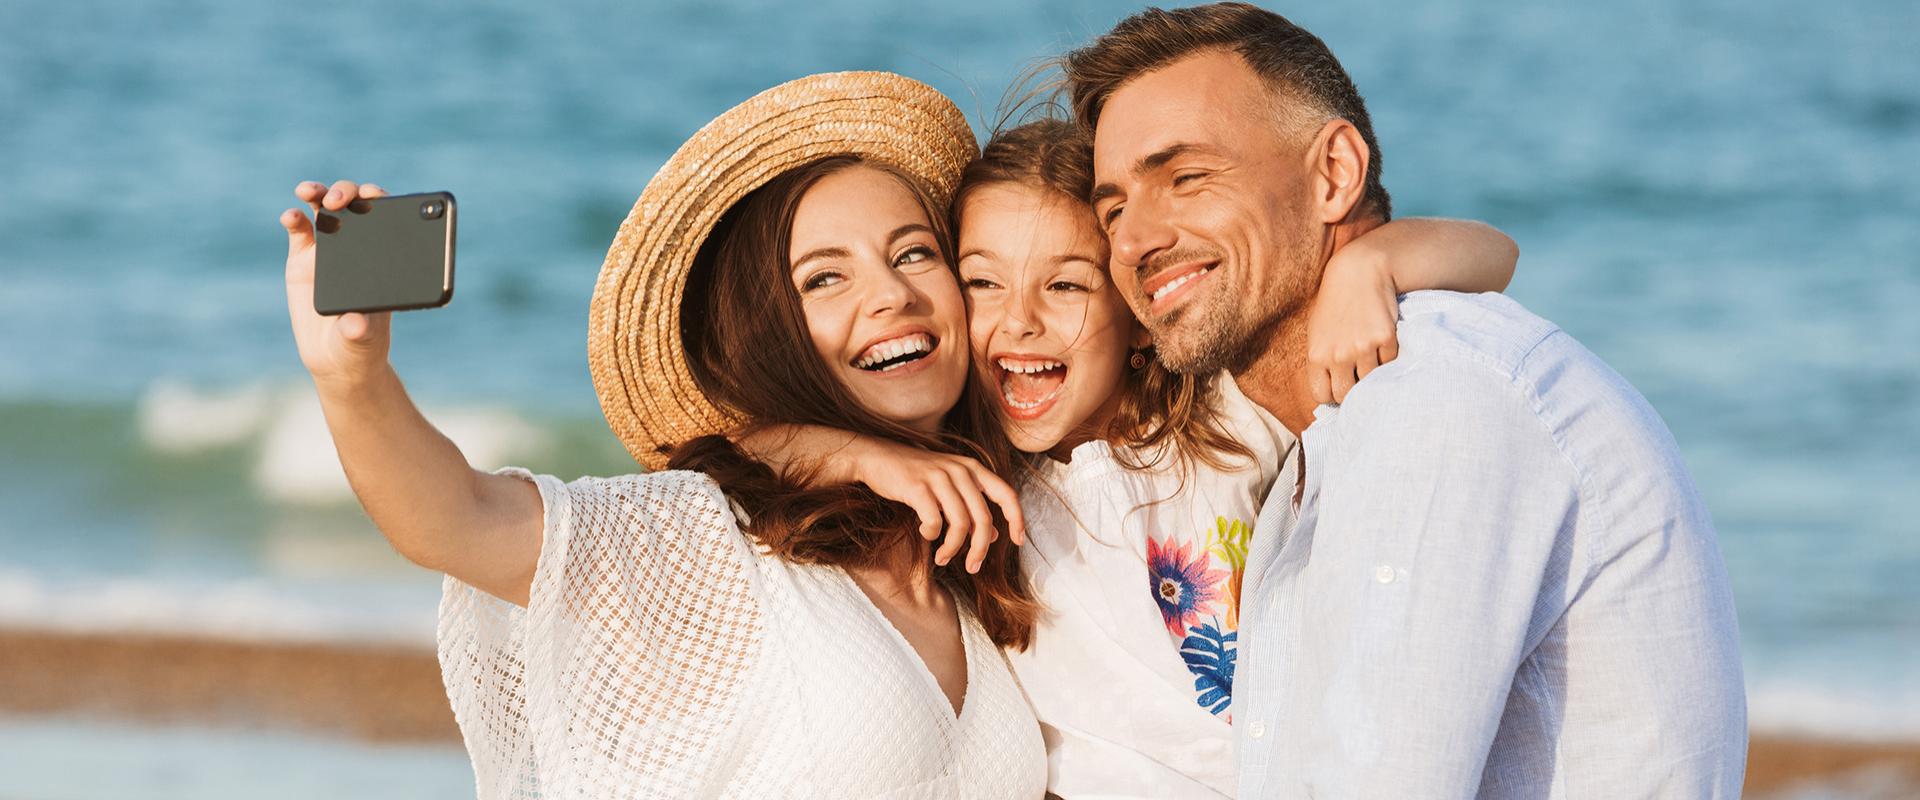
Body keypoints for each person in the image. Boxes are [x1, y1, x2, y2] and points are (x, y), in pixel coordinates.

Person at [277, 72, 1048, 798]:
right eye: (823, 277)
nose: (892, 294)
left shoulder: (988, 554)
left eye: (915, 252)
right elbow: (456, 518)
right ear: (767, 332)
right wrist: (353, 377)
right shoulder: (711, 545)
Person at [1066, 3, 1748, 797]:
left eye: (1186, 178)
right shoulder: (1339, 425)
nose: (1134, 240)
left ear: (1334, 174)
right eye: (1112, 208)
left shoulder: (1428, 400)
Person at [745, 116, 1518, 797]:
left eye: (1066, 285)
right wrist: (867, 458)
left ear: (1141, 315)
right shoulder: (980, 492)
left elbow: (1495, 253)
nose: (1020, 322)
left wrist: (1367, 267)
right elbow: (745, 445)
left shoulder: (1227, 425)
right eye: (982, 281)